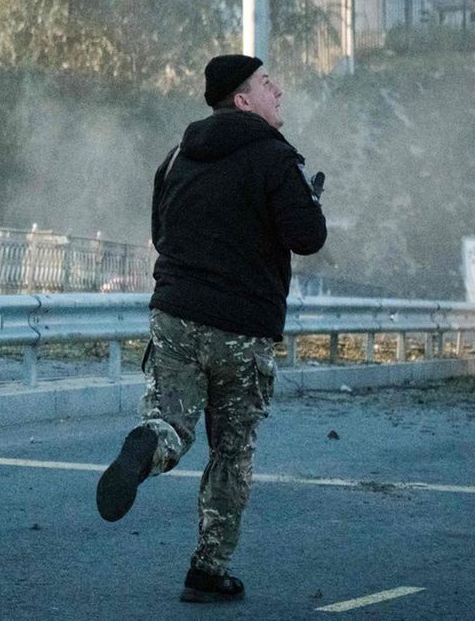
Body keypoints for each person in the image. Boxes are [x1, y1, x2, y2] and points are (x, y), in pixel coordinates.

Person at [95, 54, 327, 603]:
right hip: (241, 330)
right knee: (231, 451)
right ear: (243, 101)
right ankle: (208, 568)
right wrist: (309, 198)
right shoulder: (276, 159)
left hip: (174, 314)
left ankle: (148, 444)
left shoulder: (177, 156)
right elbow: (308, 237)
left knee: (173, 422)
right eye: (269, 85)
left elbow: (160, 232)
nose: (280, 91)